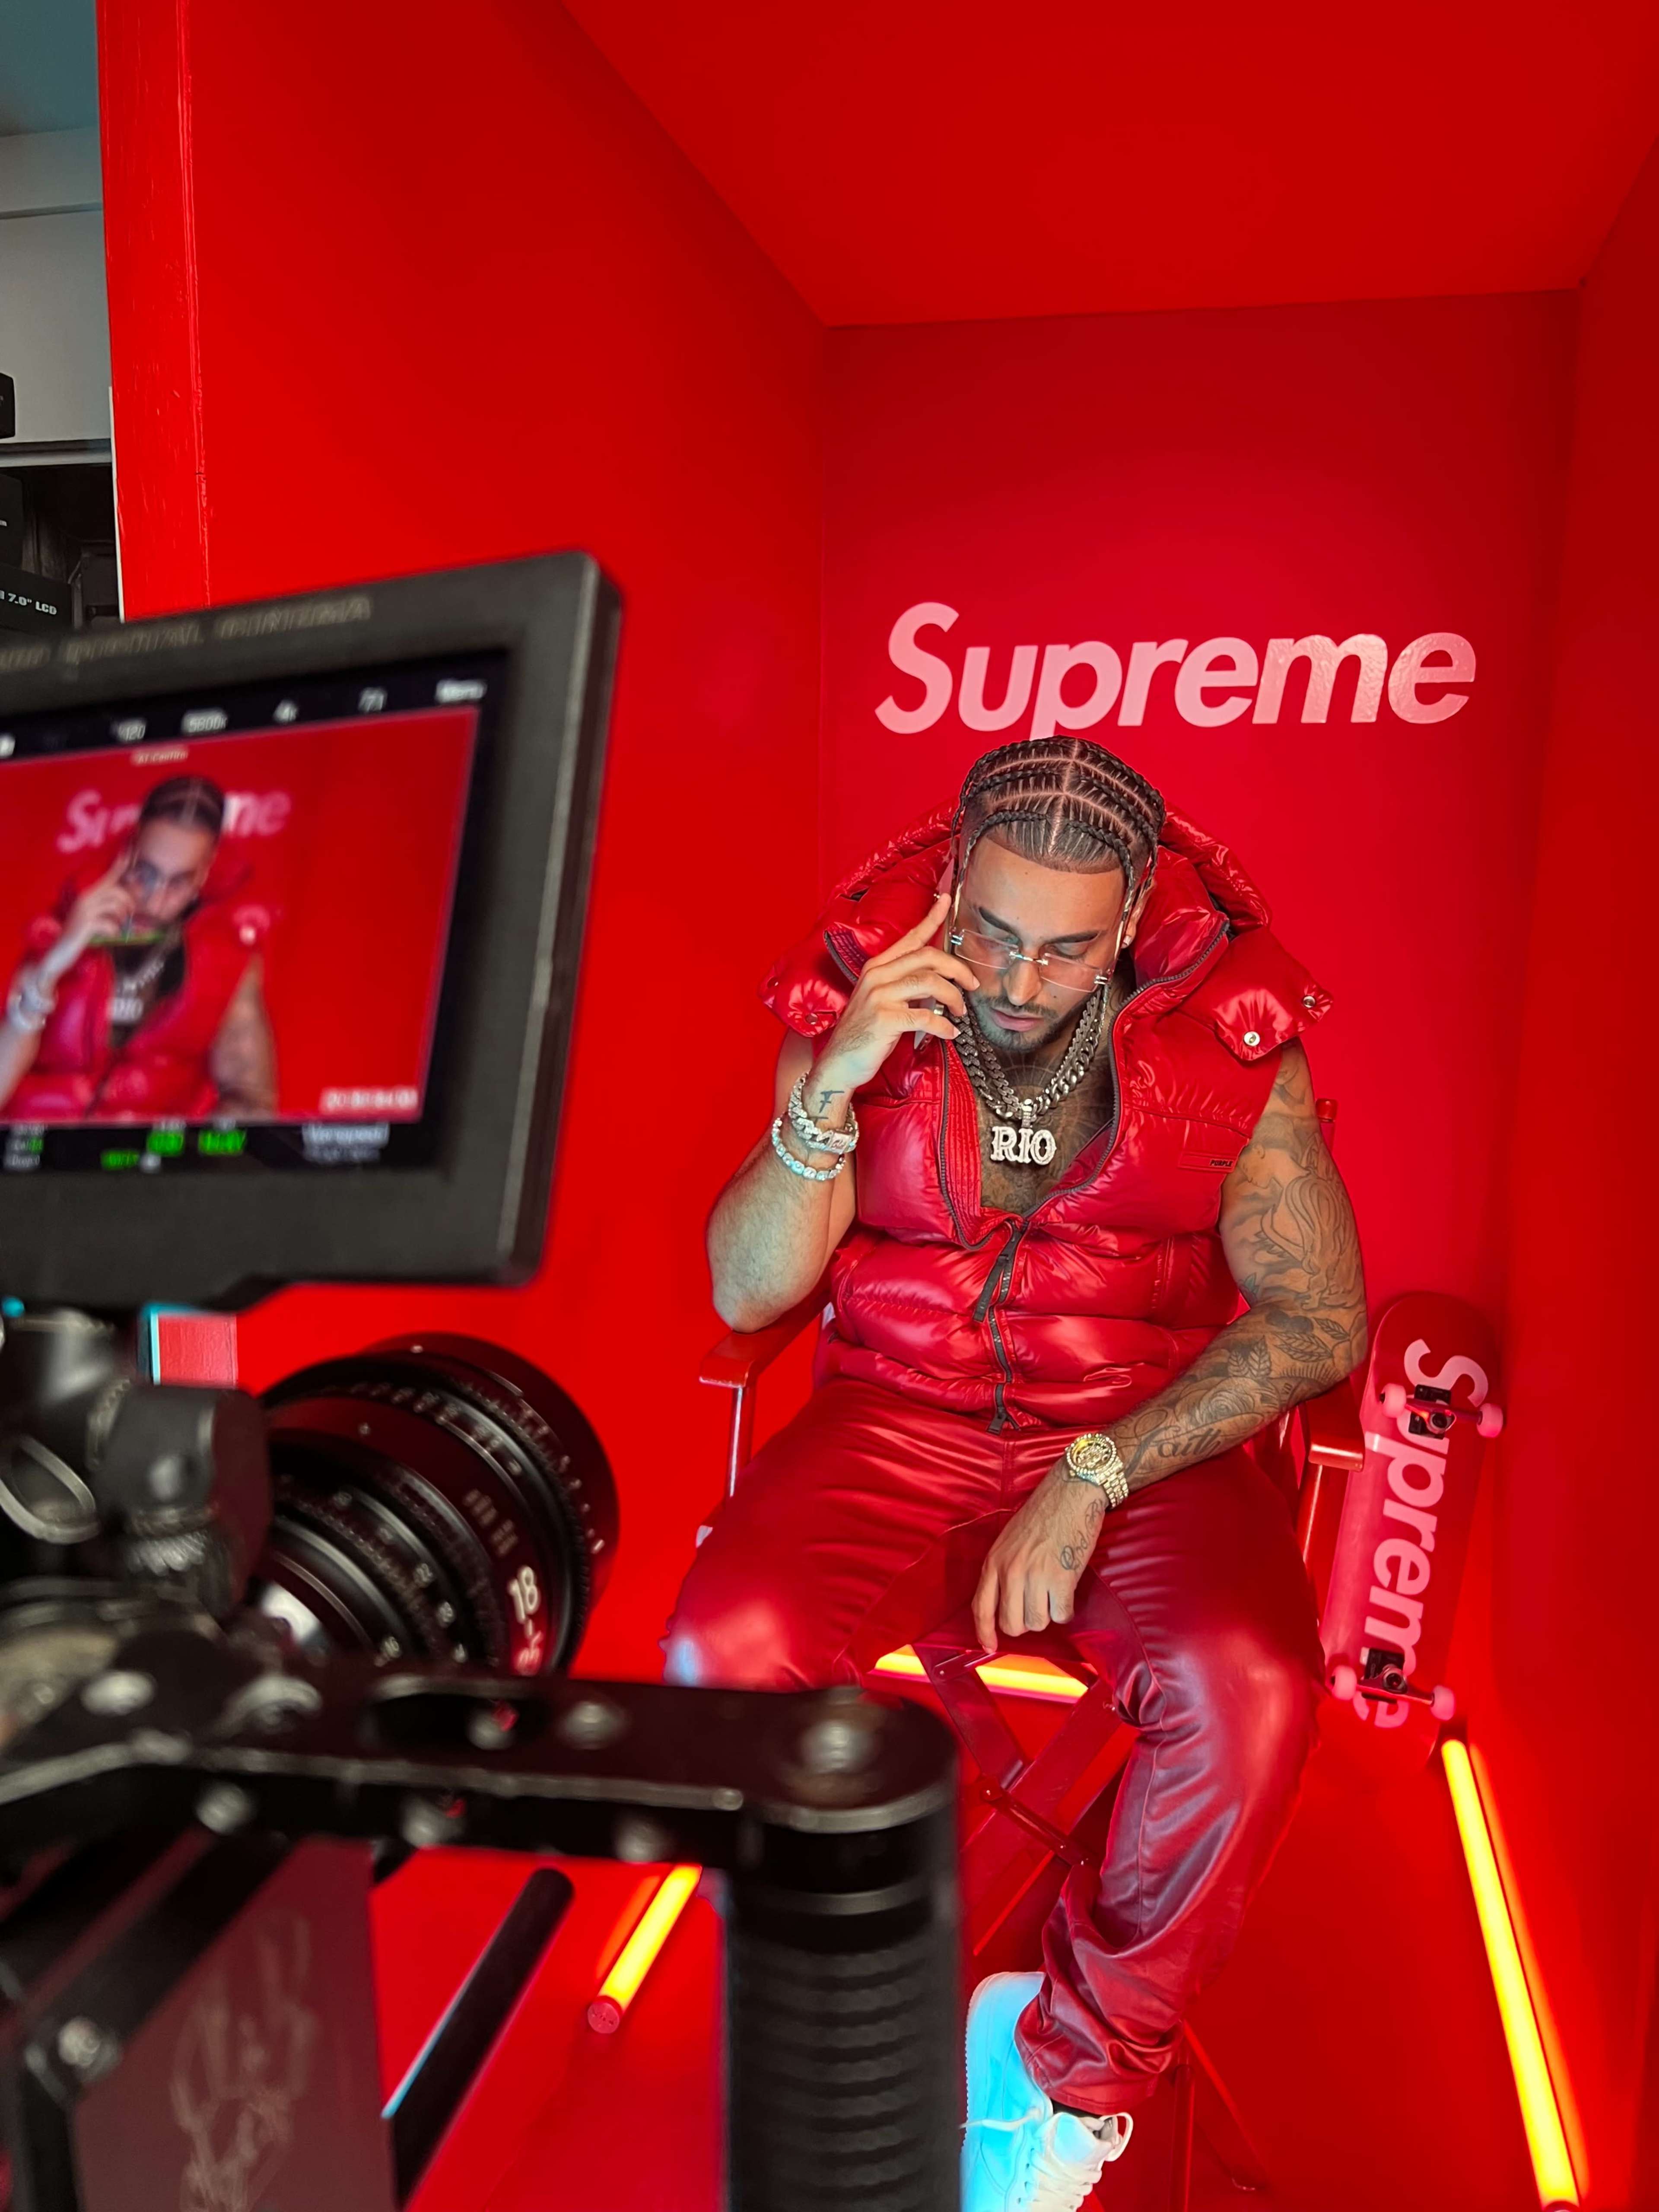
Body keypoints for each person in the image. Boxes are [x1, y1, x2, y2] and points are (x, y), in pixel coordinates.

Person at [664, 736, 1367, 2212]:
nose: (1018, 979)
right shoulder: (861, 992)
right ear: (950, 888)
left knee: (1249, 1687)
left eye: (1065, 949)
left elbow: (1319, 1320)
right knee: (722, 1649)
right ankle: (837, 2030)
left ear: (1131, 924)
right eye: (988, 933)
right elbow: (744, 1293)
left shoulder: (1234, 1042)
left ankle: (1062, 2078)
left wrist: (1097, 1470)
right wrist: (834, 1084)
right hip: (894, 1415)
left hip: (1136, 1436)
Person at [0, 775, 277, 1122]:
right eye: (145, 873)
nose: (155, 900)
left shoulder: (226, 961)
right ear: (127, 851)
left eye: (178, 882)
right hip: (30, 1150)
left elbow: (251, 1103)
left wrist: (172, 1151)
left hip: (146, 1156)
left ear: (205, 874)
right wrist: (52, 965)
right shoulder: (53, 929)